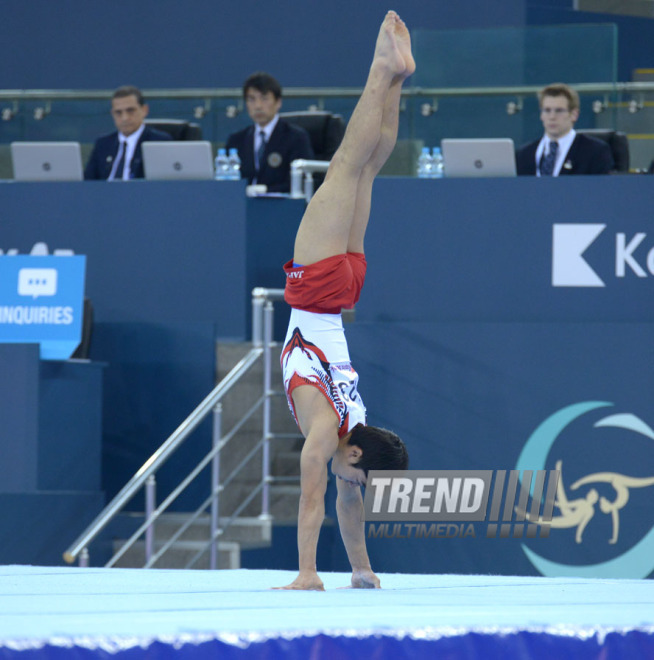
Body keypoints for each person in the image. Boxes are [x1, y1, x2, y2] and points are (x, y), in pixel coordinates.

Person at [277, 11, 412, 591]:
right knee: (346, 167)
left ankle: (398, 80)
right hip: (317, 290)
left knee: (370, 170)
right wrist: (308, 573)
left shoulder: (354, 424)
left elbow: (346, 507)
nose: (351, 487)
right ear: (354, 455)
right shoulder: (327, 433)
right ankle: (381, 72)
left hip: (344, 290)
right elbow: (315, 502)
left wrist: (362, 569)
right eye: (357, 477)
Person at [225, 72, 314, 193]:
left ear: (278, 102)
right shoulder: (236, 140)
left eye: (264, 98)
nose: (258, 106)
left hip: (281, 207)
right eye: (251, 99)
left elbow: (300, 182)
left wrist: (266, 190)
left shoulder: (295, 137)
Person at [516, 83, 614, 176]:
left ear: (574, 115)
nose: (552, 117)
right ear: (541, 115)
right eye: (547, 110)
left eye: (559, 111)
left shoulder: (595, 152)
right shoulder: (524, 155)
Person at [84, 86, 171, 180]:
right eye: (118, 112)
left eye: (130, 111)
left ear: (144, 110)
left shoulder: (159, 142)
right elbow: (88, 182)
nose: (124, 118)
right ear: (112, 114)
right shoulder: (103, 144)